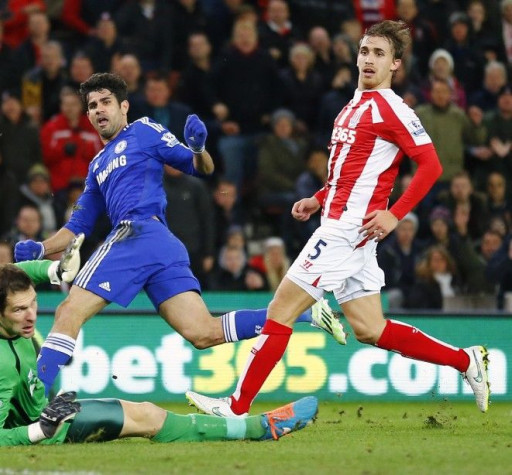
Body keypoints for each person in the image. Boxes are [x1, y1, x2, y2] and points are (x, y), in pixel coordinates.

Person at [186, 20, 491, 417]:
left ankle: (236, 406)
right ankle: (466, 361)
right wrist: (316, 198)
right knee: (370, 328)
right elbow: (348, 175)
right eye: (365, 51)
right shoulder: (352, 106)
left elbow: (431, 166)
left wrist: (395, 214)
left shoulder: (392, 108)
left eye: (379, 54)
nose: (368, 59)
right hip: (344, 227)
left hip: (347, 232)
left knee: (280, 311)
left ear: (395, 64)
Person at [14, 73, 345, 396]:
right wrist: (41, 248)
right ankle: (301, 312)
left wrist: (199, 148)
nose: (99, 110)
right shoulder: (97, 165)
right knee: (203, 333)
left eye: (106, 102)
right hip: (160, 246)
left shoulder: (144, 130)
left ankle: (33, 399)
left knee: (67, 311)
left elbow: (201, 168)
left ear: (124, 106)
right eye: (92, 105)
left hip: (137, 232)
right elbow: (78, 227)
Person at [0, 239, 318, 446]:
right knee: (146, 414)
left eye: (32, 304)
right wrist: (42, 428)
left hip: (8, 402)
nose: (31, 314)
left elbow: (16, 274)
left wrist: (55, 269)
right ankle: (258, 428)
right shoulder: (0, 366)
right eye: (20, 311)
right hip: (34, 418)